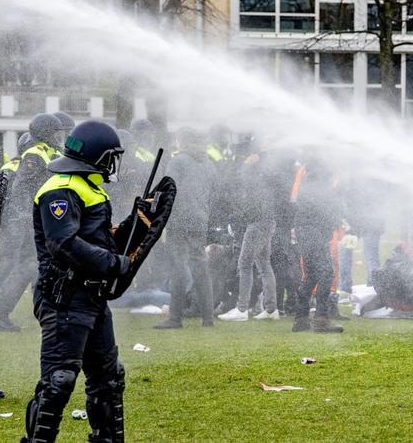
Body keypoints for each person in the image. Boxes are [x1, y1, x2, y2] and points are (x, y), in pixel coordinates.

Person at [22, 120, 173, 442]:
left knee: (109, 379)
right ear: (98, 156)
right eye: (112, 157)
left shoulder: (89, 187)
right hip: (64, 298)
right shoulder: (60, 189)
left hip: (92, 297)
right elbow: (63, 243)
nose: (114, 163)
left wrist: (137, 222)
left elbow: (99, 240)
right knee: (59, 381)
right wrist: (113, 263)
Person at [0, 113, 65, 332]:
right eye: (56, 133)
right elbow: (21, 189)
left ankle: (34, 311)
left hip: (27, 221)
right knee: (18, 264)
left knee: (28, 265)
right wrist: (27, 218)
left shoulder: (48, 153)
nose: (59, 137)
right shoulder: (35, 154)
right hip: (22, 222)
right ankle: (1, 314)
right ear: (45, 133)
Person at [154, 128, 215, 329]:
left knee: (178, 267)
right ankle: (208, 319)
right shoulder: (208, 163)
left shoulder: (177, 161)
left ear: (183, 141)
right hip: (200, 219)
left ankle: (175, 318)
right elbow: (214, 193)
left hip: (179, 220)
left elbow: (168, 190)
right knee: (201, 267)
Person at [218, 145, 280, 322]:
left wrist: (247, 166)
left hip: (257, 223)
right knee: (264, 265)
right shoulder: (269, 170)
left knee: (244, 264)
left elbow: (245, 182)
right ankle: (271, 310)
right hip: (267, 221)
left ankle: (242, 309)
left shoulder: (256, 171)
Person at [291, 158, 344, 333]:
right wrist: (335, 222)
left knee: (311, 275)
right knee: (326, 273)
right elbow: (325, 211)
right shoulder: (321, 184)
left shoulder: (310, 183)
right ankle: (321, 320)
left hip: (306, 232)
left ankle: (301, 319)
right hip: (312, 233)